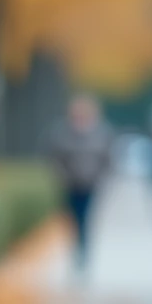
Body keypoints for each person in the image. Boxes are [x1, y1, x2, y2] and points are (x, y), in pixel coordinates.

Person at [46, 95, 114, 273]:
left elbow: (108, 159)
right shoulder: (62, 132)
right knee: (72, 219)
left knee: (86, 218)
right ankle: (77, 247)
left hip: (91, 184)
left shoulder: (101, 132)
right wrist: (62, 176)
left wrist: (101, 178)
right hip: (70, 184)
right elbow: (54, 158)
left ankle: (83, 250)